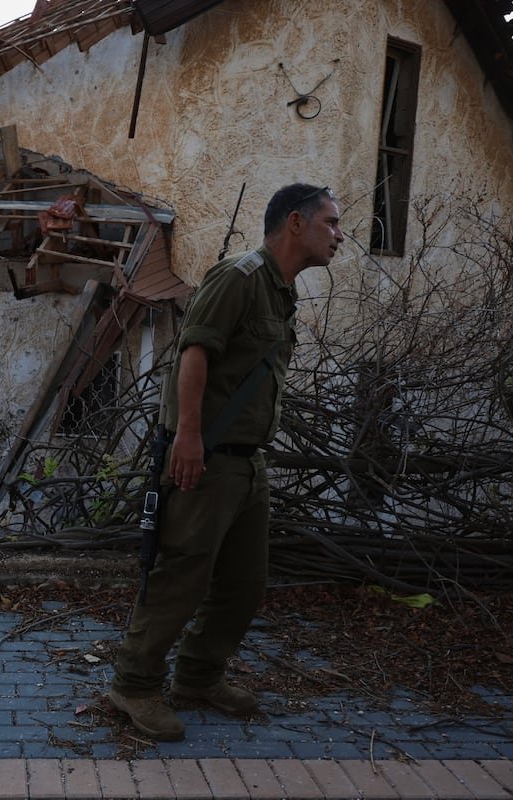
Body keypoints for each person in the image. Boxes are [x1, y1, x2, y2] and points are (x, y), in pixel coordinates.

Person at [107, 184, 344, 741]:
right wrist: (187, 437)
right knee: (181, 576)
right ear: (295, 223)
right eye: (331, 223)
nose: (339, 235)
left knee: (243, 583)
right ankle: (134, 685)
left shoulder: (280, 292)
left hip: (246, 464)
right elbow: (194, 353)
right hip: (206, 457)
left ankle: (197, 677)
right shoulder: (238, 277)